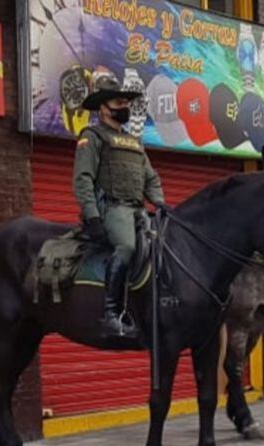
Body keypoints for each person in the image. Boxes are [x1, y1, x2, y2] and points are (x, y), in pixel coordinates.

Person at [73, 73, 167, 339]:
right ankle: (111, 315)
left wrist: (160, 203)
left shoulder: (134, 142)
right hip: (112, 209)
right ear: (103, 107)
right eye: (118, 102)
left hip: (137, 209)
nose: (124, 107)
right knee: (126, 247)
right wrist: (92, 217)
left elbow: (150, 177)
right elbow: (82, 179)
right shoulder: (92, 137)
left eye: (126, 102)